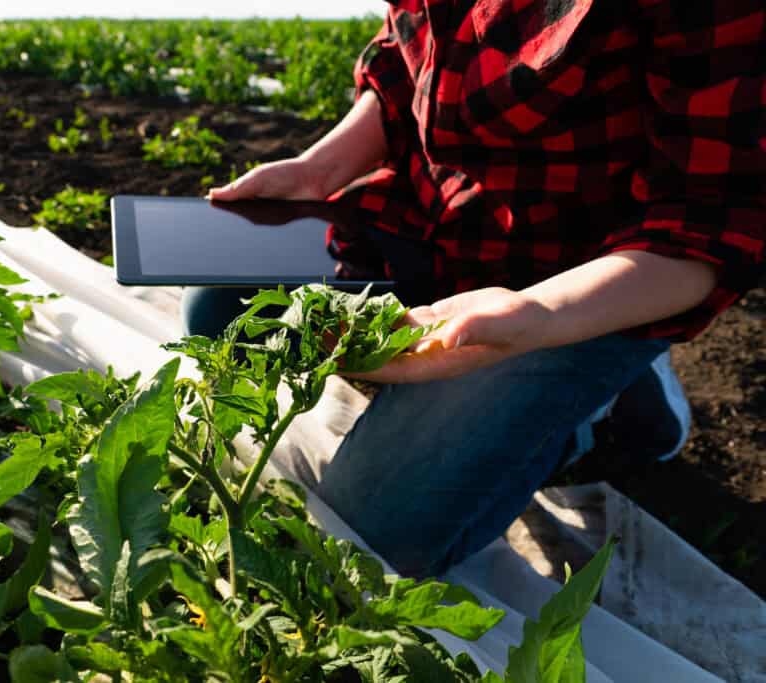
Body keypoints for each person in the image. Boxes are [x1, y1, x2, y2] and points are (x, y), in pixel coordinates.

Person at [182, 0, 765, 578]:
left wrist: (537, 314)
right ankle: (476, 404)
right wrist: (316, 170)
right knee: (222, 311)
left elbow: (713, 222)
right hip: (442, 218)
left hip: (583, 271)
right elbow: (401, 60)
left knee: (371, 535)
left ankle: (616, 402)